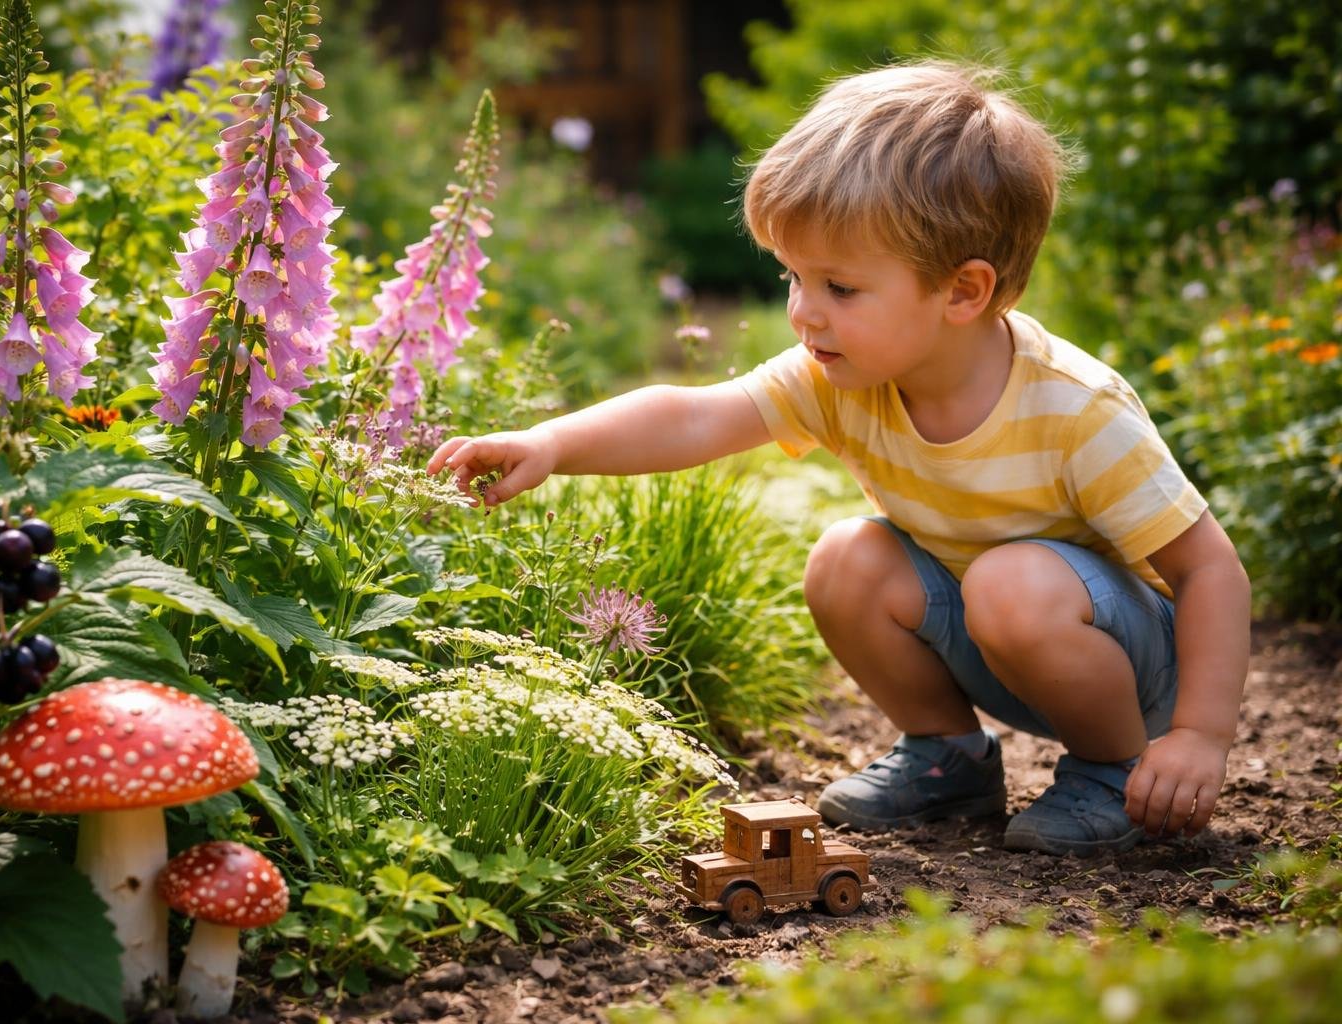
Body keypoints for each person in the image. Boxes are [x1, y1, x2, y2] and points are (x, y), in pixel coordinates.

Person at [427, 61, 1251, 856]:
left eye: (839, 289)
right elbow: (691, 417)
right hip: (1002, 638)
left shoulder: (1076, 410)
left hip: (1128, 670)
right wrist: (551, 442)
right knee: (846, 560)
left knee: (1010, 582)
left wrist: (1200, 737)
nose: (801, 314)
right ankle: (948, 759)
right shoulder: (842, 376)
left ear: (963, 292)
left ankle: (1117, 773)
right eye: (793, 277)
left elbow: (1211, 570)